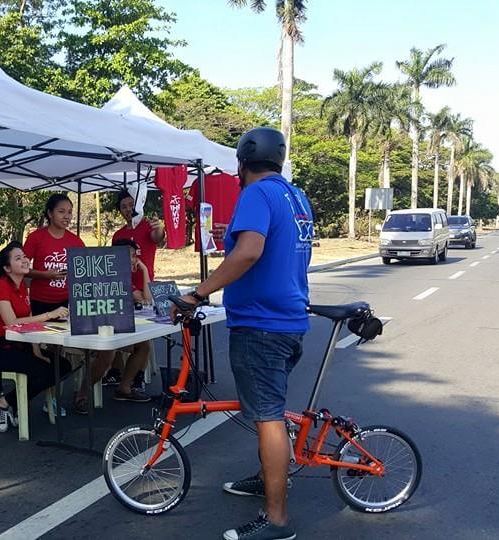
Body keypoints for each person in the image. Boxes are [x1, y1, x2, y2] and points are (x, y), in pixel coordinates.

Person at [174, 127, 312, 540]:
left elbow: (248, 251)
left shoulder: (255, 194)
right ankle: (264, 477)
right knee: (267, 408)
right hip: (288, 322)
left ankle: (277, 521)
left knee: (268, 417)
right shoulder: (296, 196)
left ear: (242, 162)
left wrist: (198, 294)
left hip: (261, 325)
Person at [0, 242, 71, 432]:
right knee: (44, 371)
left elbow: (29, 325)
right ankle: (5, 402)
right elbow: (12, 323)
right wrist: (49, 315)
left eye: (25, 256)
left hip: (23, 345)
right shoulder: (1, 287)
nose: (25, 260)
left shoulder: (23, 287)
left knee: (62, 366)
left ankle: (9, 401)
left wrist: (36, 350)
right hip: (2, 348)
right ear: (7, 268)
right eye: (18, 258)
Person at [73, 238, 152, 414]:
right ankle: (82, 394)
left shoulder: (124, 277)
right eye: (131, 256)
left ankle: (124, 387)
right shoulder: (101, 275)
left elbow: (146, 299)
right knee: (108, 352)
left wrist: (145, 270)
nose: (135, 260)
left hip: (115, 327)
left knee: (144, 345)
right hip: (93, 328)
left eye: (135, 256)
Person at [106, 193, 163, 389]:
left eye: (132, 204)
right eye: (124, 206)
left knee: (144, 333)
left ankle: (135, 376)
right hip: (123, 288)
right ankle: (118, 372)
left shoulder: (149, 226)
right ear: (120, 211)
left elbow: (158, 237)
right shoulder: (118, 235)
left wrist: (160, 228)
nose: (129, 209)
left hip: (145, 286)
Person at [23, 194, 86, 316]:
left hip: (66, 301)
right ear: (50, 213)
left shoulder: (76, 241)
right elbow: (21, 268)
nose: (66, 216)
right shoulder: (35, 238)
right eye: (61, 212)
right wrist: (44, 275)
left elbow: (84, 270)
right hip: (40, 301)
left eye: (69, 212)